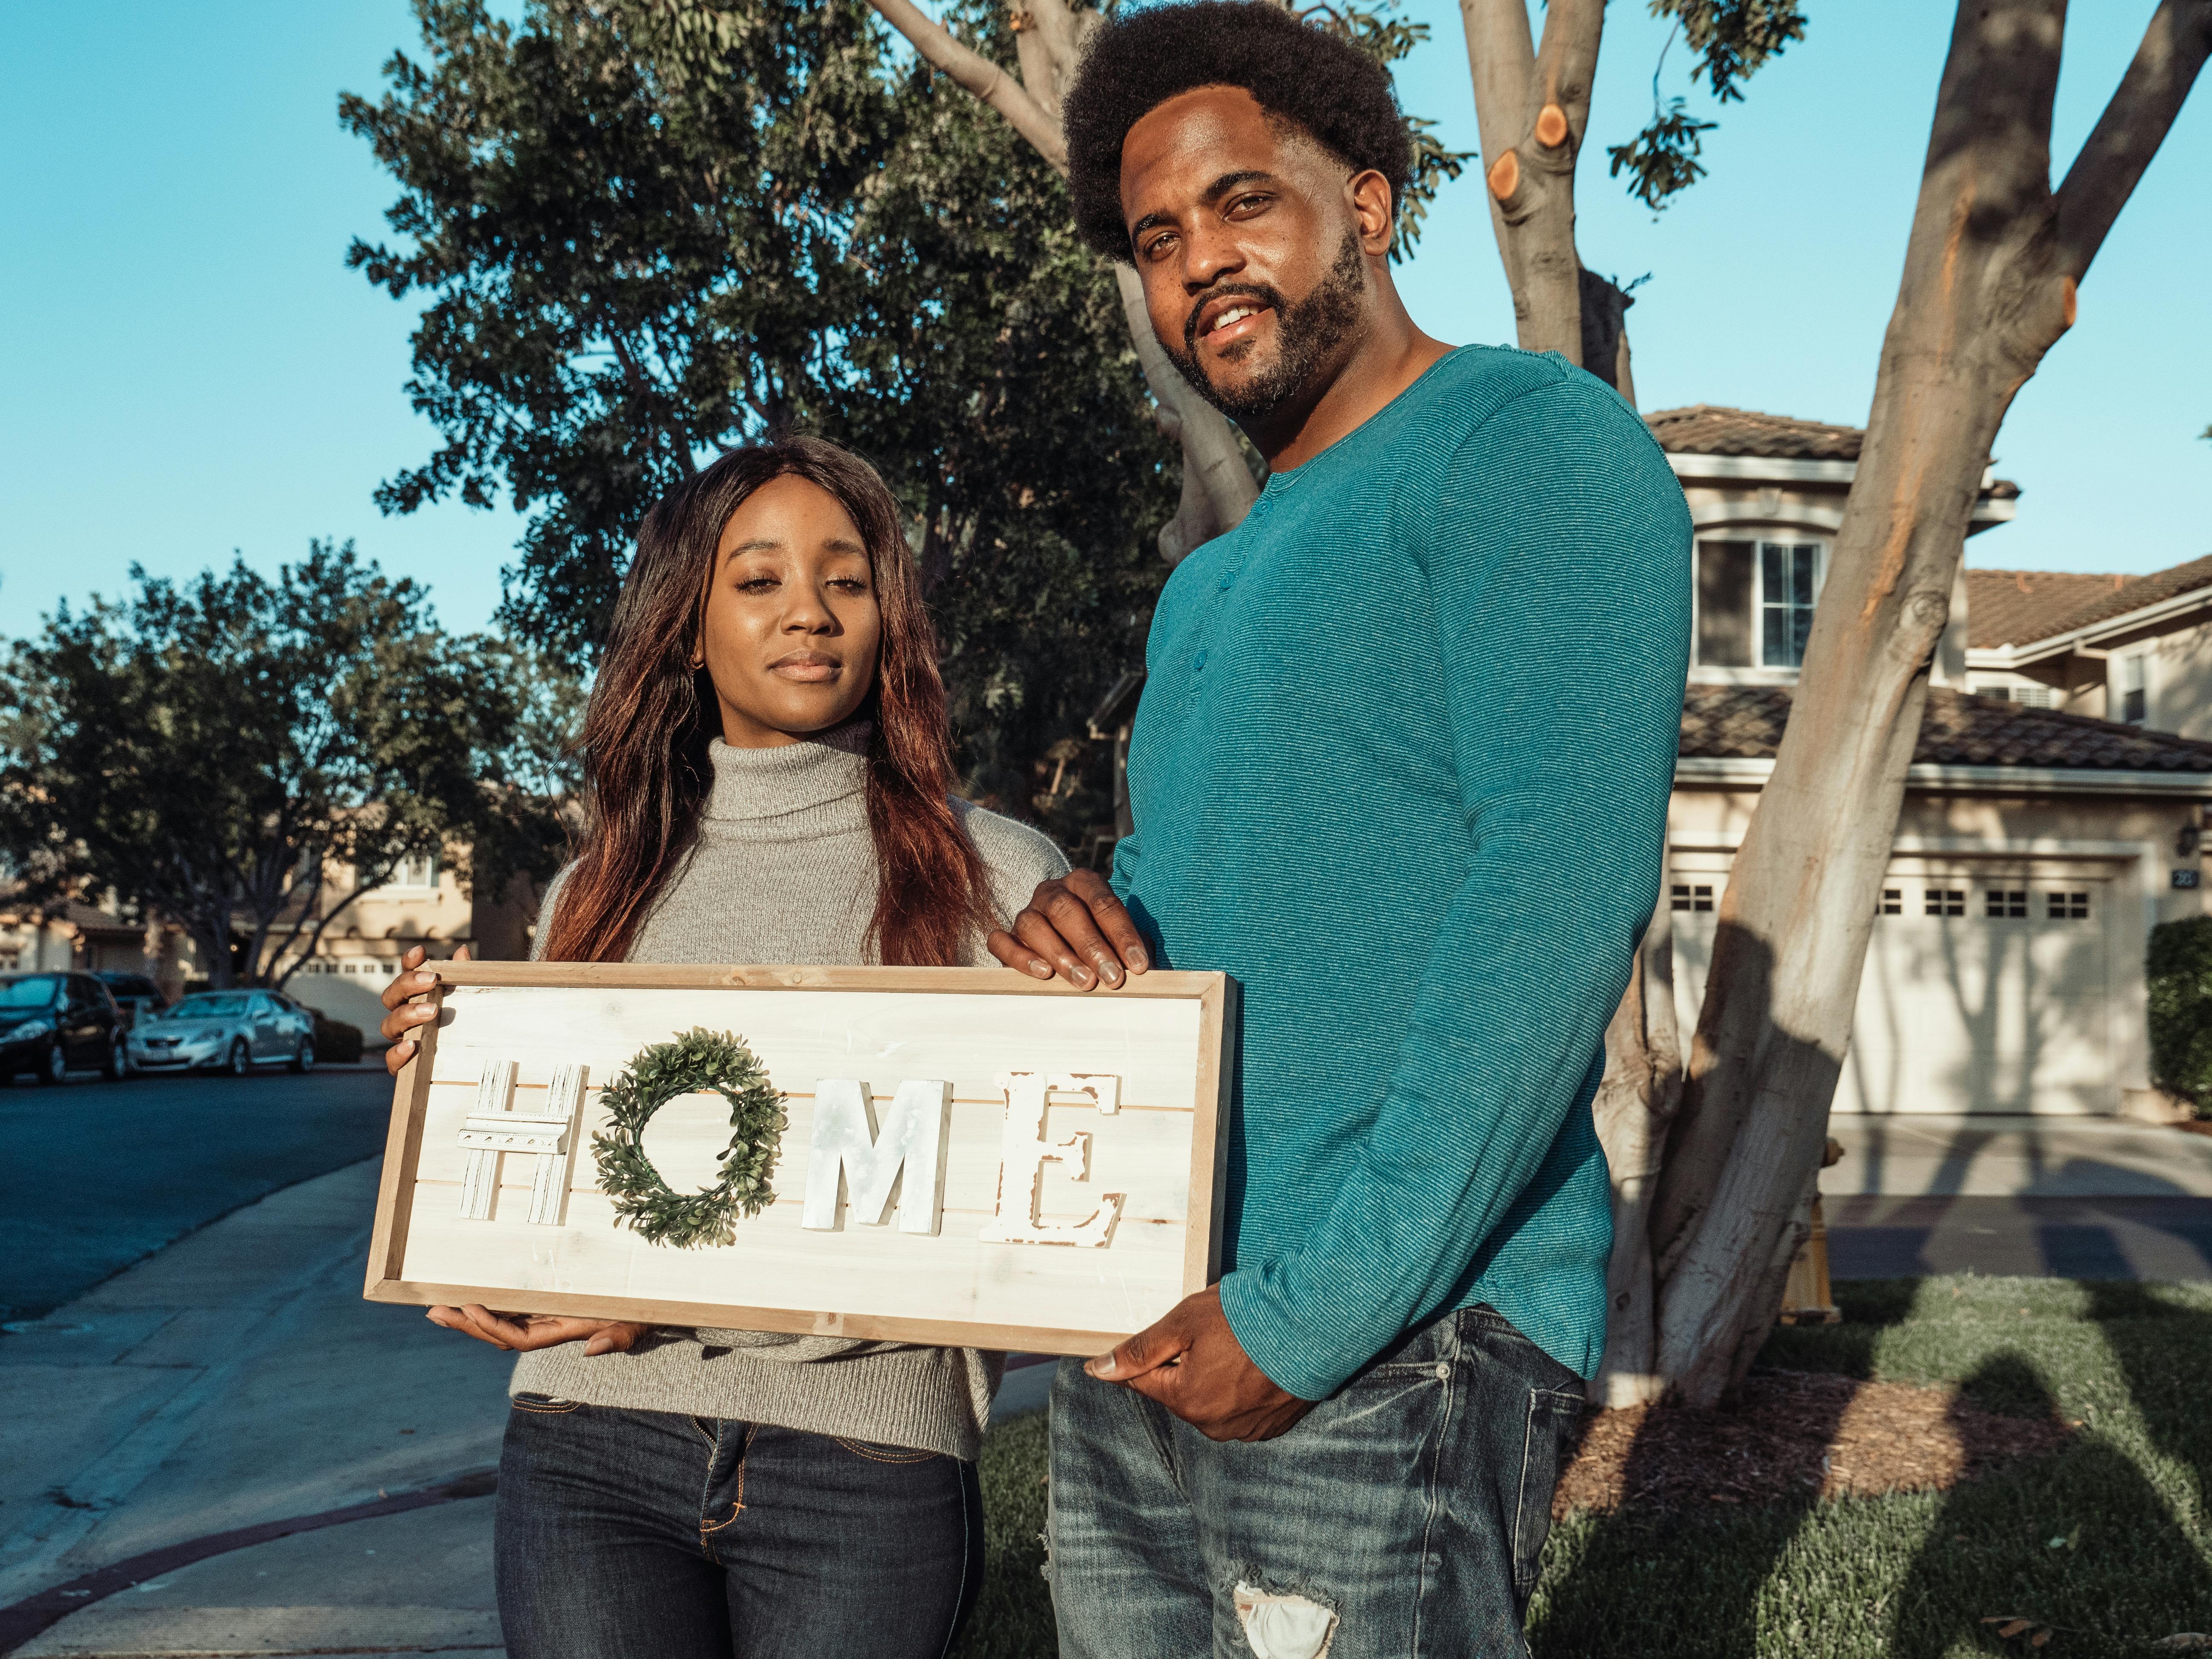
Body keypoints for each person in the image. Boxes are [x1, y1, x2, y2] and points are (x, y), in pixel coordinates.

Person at [982, 5, 1692, 1654]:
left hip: (1393, 1341)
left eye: (1244, 203)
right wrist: (1086, 919)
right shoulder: (1212, 584)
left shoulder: (1527, 442)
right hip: (1155, 1316)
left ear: (1368, 206)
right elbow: (1197, 891)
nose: (1201, 265)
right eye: (1159, 239)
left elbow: (1558, 895)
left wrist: (1316, 1315)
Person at [378, 437, 1067, 1659]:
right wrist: (448, 1118)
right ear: (688, 626)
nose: (809, 611)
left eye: (845, 580)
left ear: (887, 614)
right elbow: (549, 1188)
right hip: (588, 1441)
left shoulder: (999, 878)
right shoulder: (596, 888)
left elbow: (1054, 1210)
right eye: (758, 580)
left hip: (866, 1459)